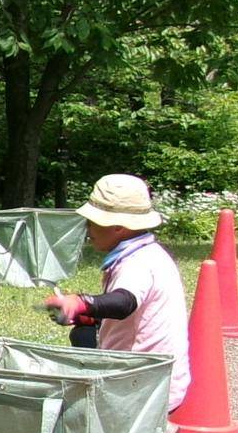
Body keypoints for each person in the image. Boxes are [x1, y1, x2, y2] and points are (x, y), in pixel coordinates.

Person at [43, 175, 190, 410]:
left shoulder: (139, 262)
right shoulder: (148, 251)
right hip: (159, 378)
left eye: (92, 222)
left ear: (118, 227)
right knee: (83, 334)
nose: (88, 229)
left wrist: (81, 302)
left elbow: (124, 302)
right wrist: (89, 315)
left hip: (143, 387)